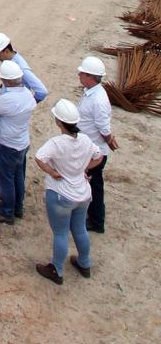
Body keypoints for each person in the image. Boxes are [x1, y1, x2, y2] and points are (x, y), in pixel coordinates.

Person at [33, 99, 103, 284]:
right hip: (82, 192)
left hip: (61, 194)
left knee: (60, 233)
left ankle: (57, 269)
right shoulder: (86, 140)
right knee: (79, 229)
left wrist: (52, 172)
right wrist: (84, 169)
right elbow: (99, 156)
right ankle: (84, 263)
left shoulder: (56, 143)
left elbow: (39, 158)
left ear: (58, 121)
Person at [0, 60, 37, 224]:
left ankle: (6, 211)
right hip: (21, 143)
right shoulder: (28, 95)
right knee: (18, 176)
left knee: (5, 179)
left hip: (6, 145)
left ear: (5, 80)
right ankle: (17, 208)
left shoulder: (7, 99)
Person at [76, 55, 119, 234]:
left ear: (91, 77)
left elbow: (103, 127)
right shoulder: (91, 93)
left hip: (95, 151)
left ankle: (96, 221)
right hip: (89, 146)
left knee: (94, 186)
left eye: (82, 73)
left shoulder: (99, 100)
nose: (79, 75)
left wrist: (110, 140)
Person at [0, 32, 48, 102]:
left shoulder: (21, 68)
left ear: (6, 51)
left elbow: (42, 91)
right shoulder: (11, 59)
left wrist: (29, 105)